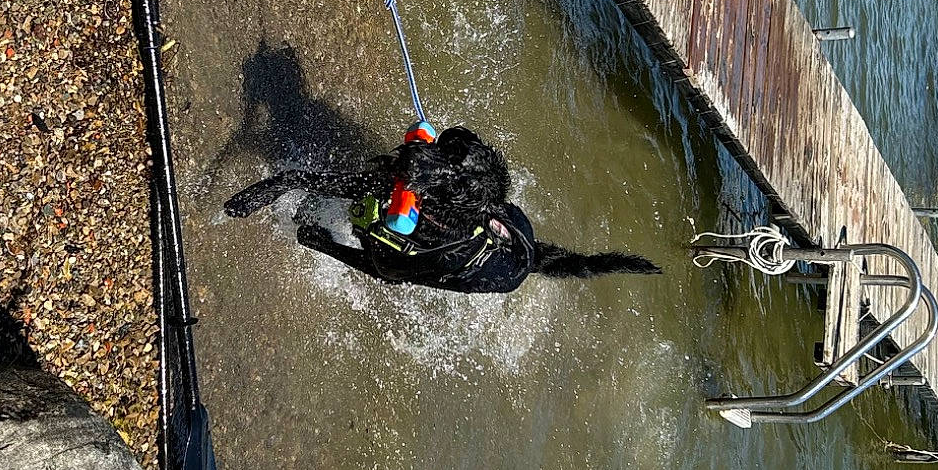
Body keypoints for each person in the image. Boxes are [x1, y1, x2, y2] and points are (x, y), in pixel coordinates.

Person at [224, 122, 660, 296]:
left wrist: (326, 245)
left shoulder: (438, 244)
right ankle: (283, 184)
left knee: (384, 251)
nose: (422, 156)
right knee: (365, 185)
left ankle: (593, 265)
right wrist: (285, 180)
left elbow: (383, 273)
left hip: (483, 272)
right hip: (492, 220)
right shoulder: (468, 192)